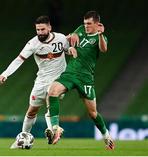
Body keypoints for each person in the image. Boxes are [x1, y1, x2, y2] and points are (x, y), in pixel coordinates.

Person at [0, 15, 77, 148]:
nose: (40, 32)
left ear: (49, 28)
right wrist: (5, 73)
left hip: (59, 79)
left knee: (50, 99)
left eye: (42, 29)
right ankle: (23, 137)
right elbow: (19, 59)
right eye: (38, 30)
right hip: (41, 80)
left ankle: (54, 131)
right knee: (32, 111)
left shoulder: (61, 38)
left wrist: (70, 49)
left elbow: (68, 50)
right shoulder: (33, 43)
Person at [46, 11, 115, 150]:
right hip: (70, 73)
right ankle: (55, 128)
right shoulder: (81, 29)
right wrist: (70, 44)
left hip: (85, 78)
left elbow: (104, 49)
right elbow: (70, 38)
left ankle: (106, 136)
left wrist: (101, 35)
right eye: (85, 23)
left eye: (89, 24)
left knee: (93, 113)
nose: (86, 26)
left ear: (97, 24)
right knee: (52, 91)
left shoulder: (101, 37)